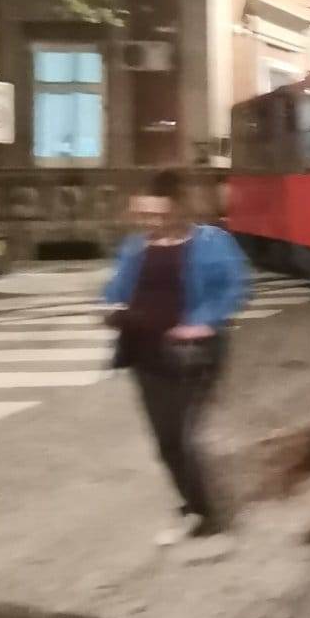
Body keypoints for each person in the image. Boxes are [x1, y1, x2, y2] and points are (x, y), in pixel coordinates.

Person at [104, 168, 250, 550]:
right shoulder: (134, 247)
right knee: (166, 441)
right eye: (142, 214)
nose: (149, 221)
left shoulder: (211, 242)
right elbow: (116, 289)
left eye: (157, 214)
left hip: (193, 355)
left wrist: (201, 323)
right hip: (144, 353)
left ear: (177, 208)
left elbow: (235, 288)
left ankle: (213, 520)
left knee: (186, 440)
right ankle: (194, 512)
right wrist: (112, 306)